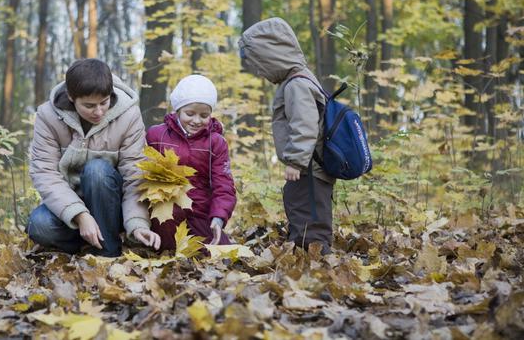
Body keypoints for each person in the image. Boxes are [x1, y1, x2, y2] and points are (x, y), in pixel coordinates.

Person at [26, 58, 161, 257]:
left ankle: (109, 252)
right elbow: (45, 173)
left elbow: (135, 174)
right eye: (89, 106)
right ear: (72, 97)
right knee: (38, 225)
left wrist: (137, 223)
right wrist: (80, 216)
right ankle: (86, 242)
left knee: (97, 170)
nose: (98, 112)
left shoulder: (129, 115)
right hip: (71, 206)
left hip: (112, 205)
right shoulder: (48, 116)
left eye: (104, 103)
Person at [238, 18, 335, 254]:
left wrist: (295, 160)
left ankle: (315, 256)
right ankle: (302, 250)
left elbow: (305, 125)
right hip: (310, 166)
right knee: (300, 204)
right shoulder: (299, 79)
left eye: (260, 64)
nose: (260, 71)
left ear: (273, 57)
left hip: (309, 167)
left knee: (309, 212)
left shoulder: (297, 84)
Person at [146, 74, 237, 251]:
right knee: (170, 240)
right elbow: (141, 172)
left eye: (204, 115)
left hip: (200, 210)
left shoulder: (216, 142)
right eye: (190, 113)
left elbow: (224, 185)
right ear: (177, 110)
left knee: (220, 251)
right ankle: (166, 247)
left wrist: (218, 217)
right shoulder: (157, 135)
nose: (196, 121)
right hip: (166, 206)